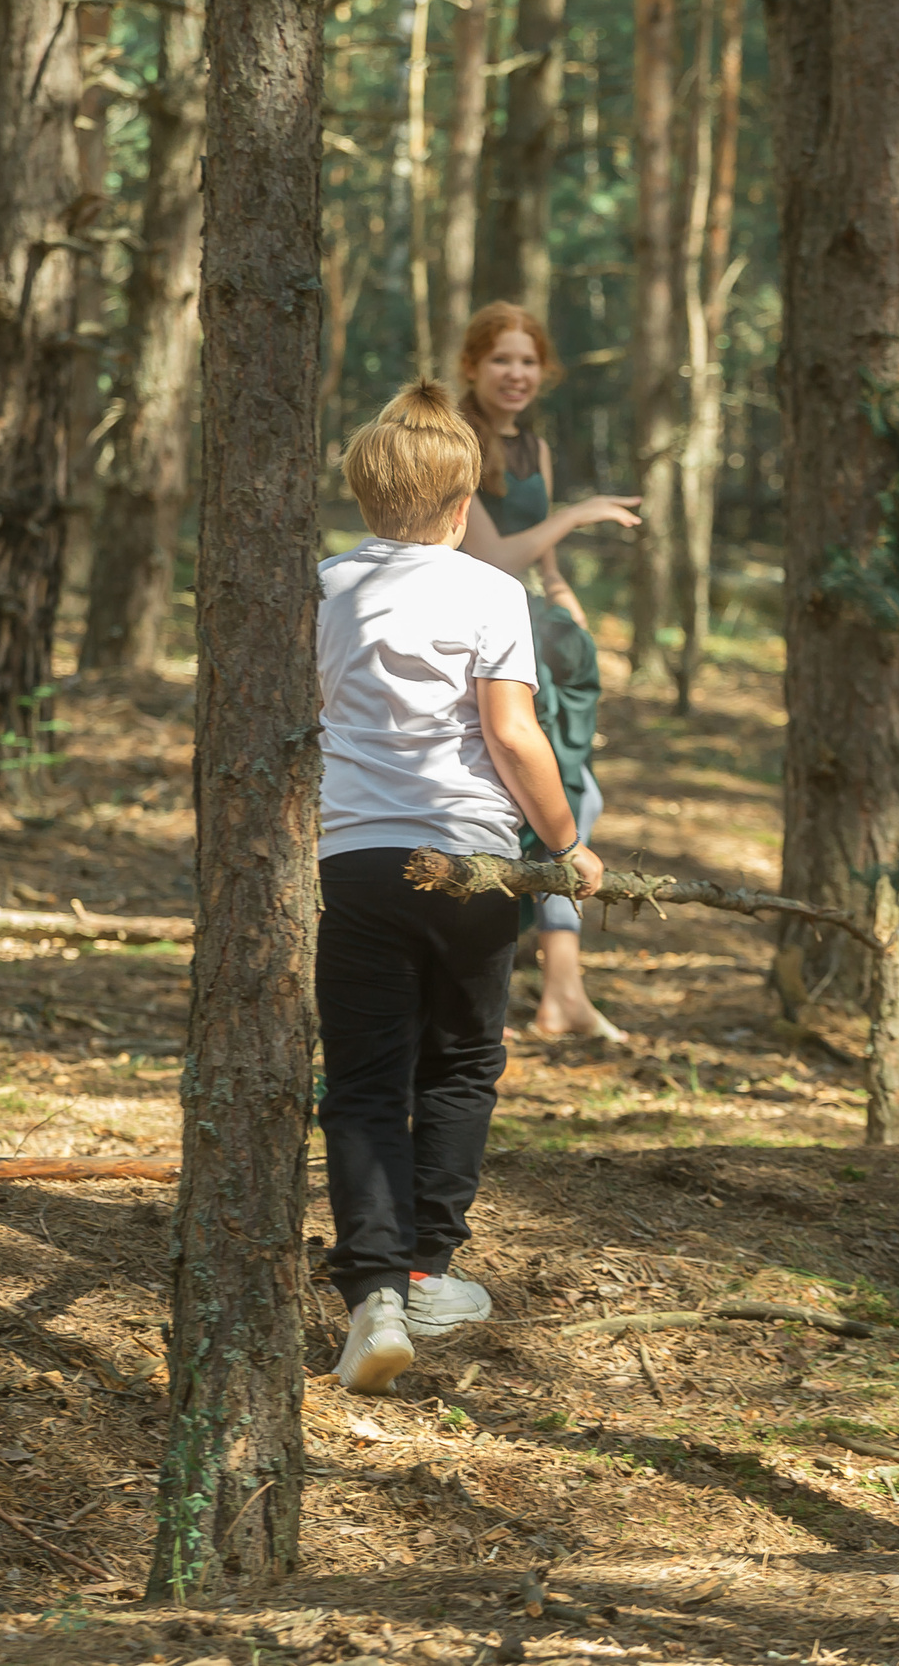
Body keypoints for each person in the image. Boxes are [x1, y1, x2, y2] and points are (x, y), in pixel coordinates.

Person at [315, 380, 606, 1394]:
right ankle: (429, 1269)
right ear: (458, 503)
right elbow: (513, 733)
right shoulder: (491, 594)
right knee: (460, 1063)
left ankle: (373, 1300)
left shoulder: (323, 587)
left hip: (351, 862)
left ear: (363, 497)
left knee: (359, 1085)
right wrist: (563, 842)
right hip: (475, 865)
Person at [454, 302, 640, 1042]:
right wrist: (577, 512)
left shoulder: (534, 445)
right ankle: (543, 986)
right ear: (472, 365)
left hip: (534, 637)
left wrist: (568, 604)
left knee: (574, 800)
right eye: (502, 359)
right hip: (481, 636)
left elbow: (543, 567)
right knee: (559, 801)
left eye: (529, 361)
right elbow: (494, 557)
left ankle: (560, 986)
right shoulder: (457, 440)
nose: (517, 373)